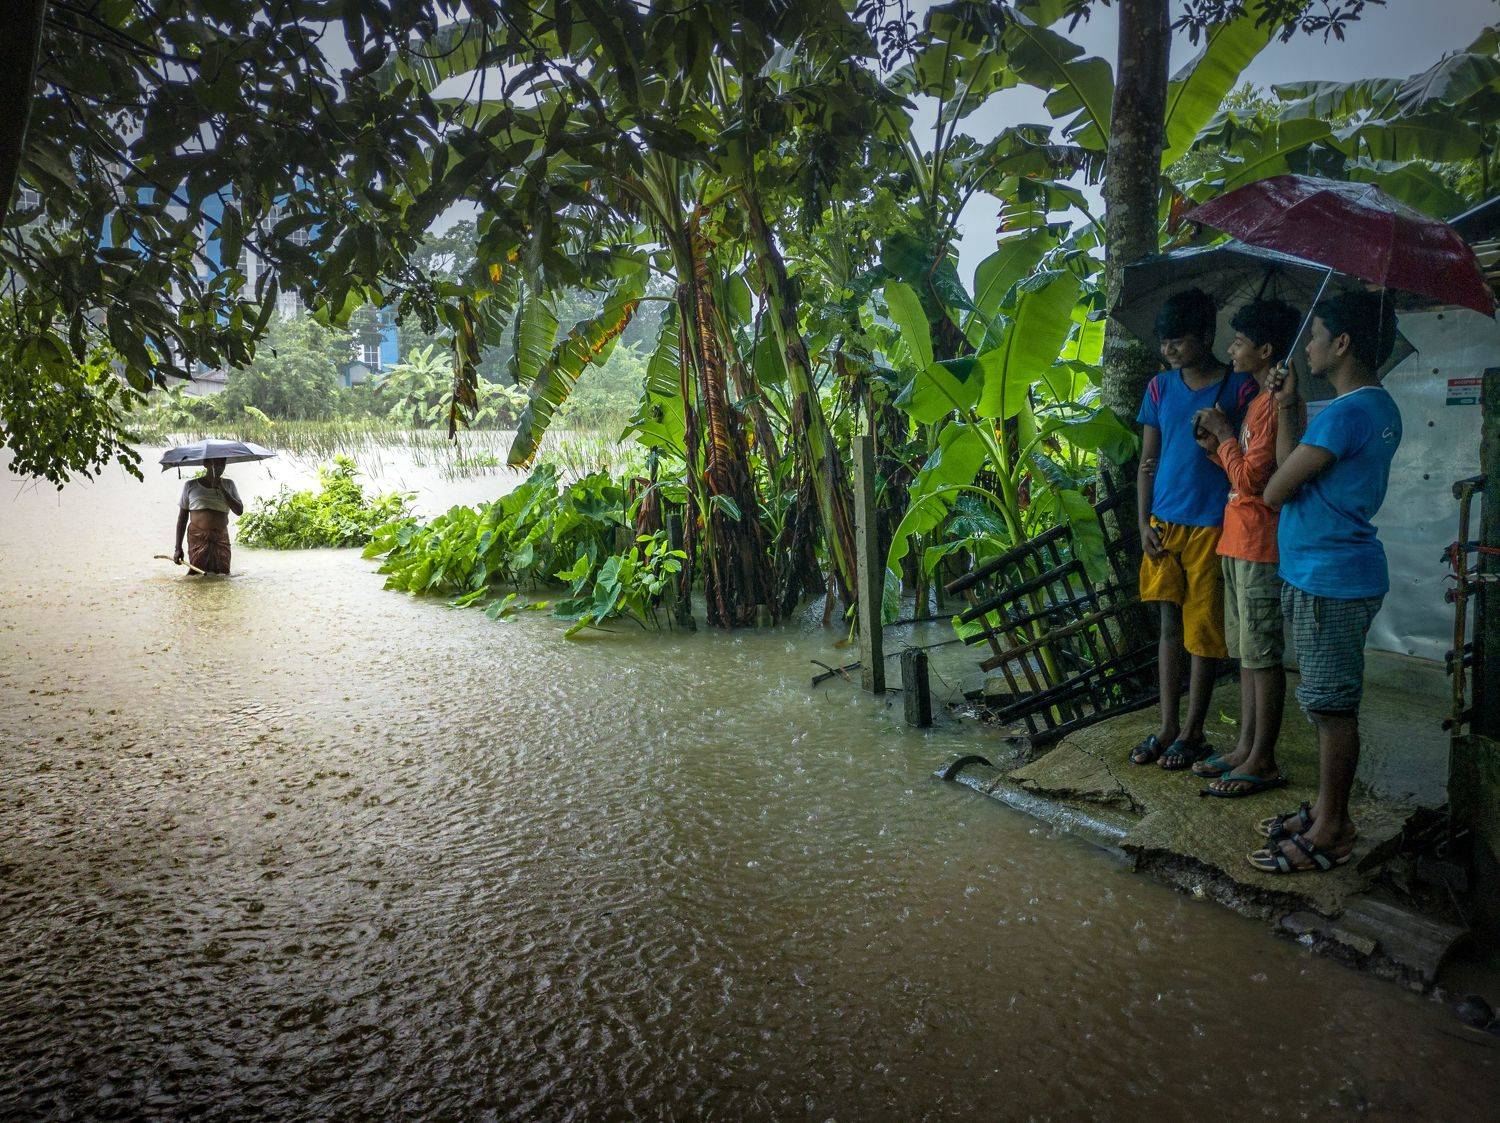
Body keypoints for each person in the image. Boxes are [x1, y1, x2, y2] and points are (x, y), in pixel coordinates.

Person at [1250, 291, 1401, 874]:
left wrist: (1288, 423)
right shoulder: (1377, 406)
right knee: (1325, 702)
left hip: (1328, 578)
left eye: (1314, 335)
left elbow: (1275, 489)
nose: (1306, 346)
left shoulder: (1345, 414)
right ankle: (1323, 810)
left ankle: (1333, 828)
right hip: (1335, 571)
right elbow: (1296, 467)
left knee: (1332, 708)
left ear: (1341, 343)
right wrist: (1288, 406)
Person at [1130, 288, 1258, 770]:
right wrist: (1143, 522)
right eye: (1164, 341)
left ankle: (1193, 731)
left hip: (1212, 525)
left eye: (1178, 341)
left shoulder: (1240, 388)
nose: (1169, 350)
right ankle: (1167, 726)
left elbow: (1251, 459)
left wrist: (1221, 434)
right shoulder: (1159, 387)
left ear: (1206, 336)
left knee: (1202, 633)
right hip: (1164, 524)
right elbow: (1148, 462)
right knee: (1168, 627)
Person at [1189, 299, 1303, 797]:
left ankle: (1263, 758)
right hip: (1237, 540)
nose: (1231, 349)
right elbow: (1240, 474)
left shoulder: (1274, 407)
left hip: (1259, 543)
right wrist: (1216, 449)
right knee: (1247, 656)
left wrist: (1225, 435)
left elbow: (1254, 482)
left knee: (1262, 656)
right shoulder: (1258, 400)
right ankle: (1245, 748)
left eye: (1239, 342)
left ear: (1266, 350)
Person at [173, 457, 243, 575]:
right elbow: (182, 519)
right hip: (197, 538)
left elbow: (239, 511)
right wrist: (178, 548)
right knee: (197, 575)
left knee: (223, 575)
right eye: (215, 463)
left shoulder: (229, 484)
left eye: (222, 462)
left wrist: (222, 488)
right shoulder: (190, 485)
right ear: (206, 464)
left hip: (220, 538)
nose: (219, 466)